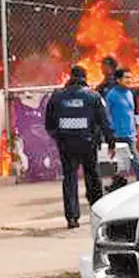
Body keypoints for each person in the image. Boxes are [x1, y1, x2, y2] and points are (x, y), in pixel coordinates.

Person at [45, 66, 116, 229]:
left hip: (66, 144)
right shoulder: (93, 96)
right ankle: (99, 213)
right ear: (85, 77)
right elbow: (104, 122)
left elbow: (49, 123)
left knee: (70, 179)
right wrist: (110, 142)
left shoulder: (57, 97)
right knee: (93, 177)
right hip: (88, 143)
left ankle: (72, 217)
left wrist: (59, 137)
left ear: (70, 77)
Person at [105, 69, 139, 181]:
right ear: (118, 80)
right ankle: (118, 183)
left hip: (131, 134)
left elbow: (133, 113)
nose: (129, 80)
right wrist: (110, 133)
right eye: (126, 77)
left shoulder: (130, 93)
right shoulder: (111, 95)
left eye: (130, 77)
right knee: (118, 163)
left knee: (137, 162)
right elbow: (107, 114)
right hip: (117, 135)